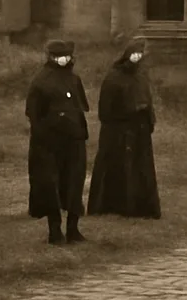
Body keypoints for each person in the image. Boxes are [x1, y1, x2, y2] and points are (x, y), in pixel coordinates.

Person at [25, 38, 90, 245]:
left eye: (66, 55)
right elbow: (34, 115)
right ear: (51, 57)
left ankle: (73, 229)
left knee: (74, 183)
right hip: (50, 143)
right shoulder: (41, 81)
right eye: (58, 56)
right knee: (51, 185)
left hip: (74, 140)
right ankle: (55, 231)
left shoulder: (74, 79)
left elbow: (80, 107)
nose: (63, 59)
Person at [87, 37, 161, 219]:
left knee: (139, 167)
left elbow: (147, 99)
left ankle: (141, 207)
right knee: (118, 167)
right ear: (126, 55)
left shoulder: (141, 76)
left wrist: (148, 117)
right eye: (133, 54)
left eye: (140, 54)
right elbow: (106, 109)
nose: (137, 57)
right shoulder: (113, 77)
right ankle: (114, 206)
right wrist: (127, 113)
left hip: (140, 130)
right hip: (118, 131)